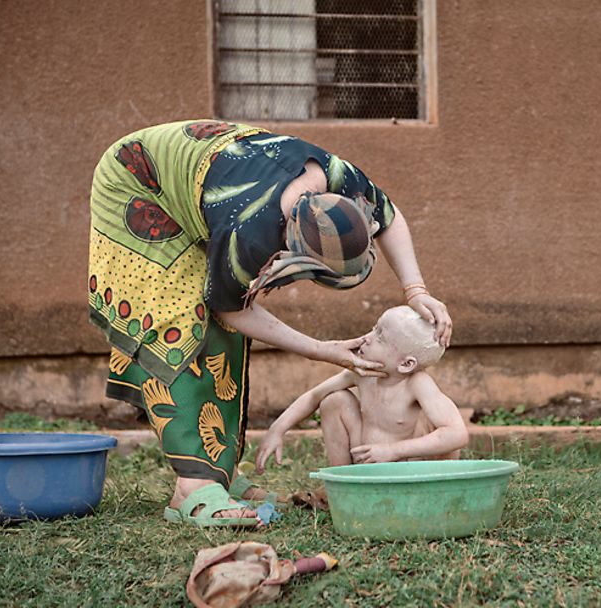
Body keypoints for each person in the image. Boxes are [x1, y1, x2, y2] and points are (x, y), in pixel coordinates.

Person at [88, 120, 451, 526]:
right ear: (288, 246)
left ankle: (220, 471)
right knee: (184, 329)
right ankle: (192, 488)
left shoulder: (337, 179)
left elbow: (391, 217)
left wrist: (416, 290)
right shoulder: (250, 232)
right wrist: (321, 349)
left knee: (225, 332)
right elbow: (230, 308)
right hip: (136, 185)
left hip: (205, 173)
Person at [255, 306, 468, 471]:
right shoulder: (363, 373)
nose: (367, 337)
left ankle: (432, 488)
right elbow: (314, 395)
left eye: (380, 337)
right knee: (333, 400)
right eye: (374, 329)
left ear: (406, 364)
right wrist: (277, 429)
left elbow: (457, 434)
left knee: (440, 423)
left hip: (407, 466)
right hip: (366, 460)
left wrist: (392, 451)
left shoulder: (417, 383)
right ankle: (341, 484)